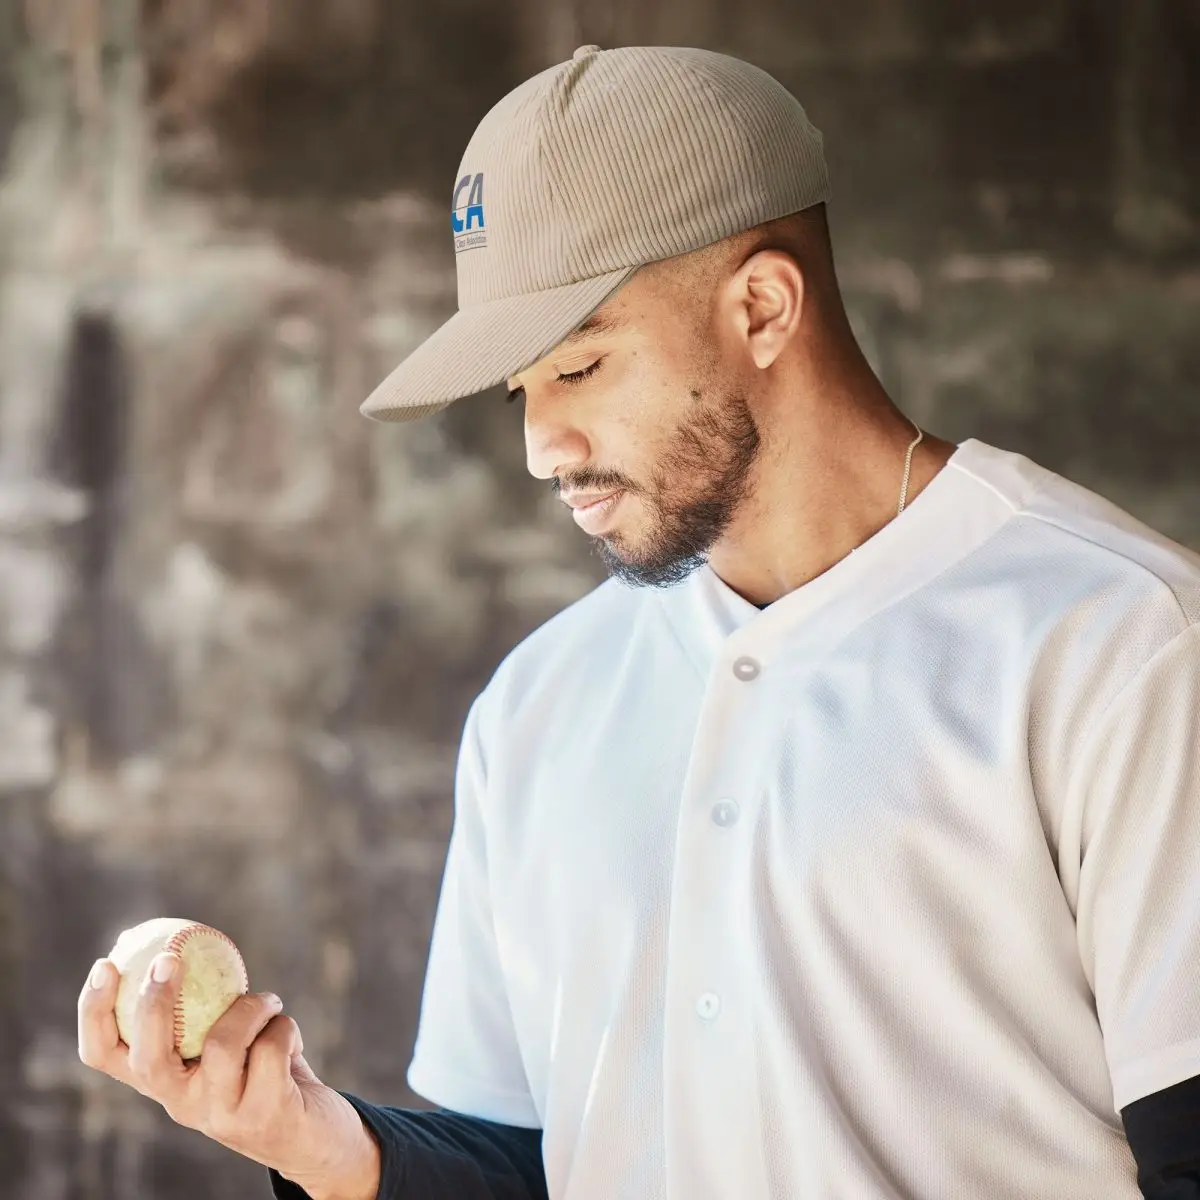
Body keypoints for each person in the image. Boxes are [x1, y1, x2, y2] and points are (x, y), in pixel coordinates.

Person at [78, 43, 1200, 1200]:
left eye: (581, 367)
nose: (538, 449)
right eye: (522, 392)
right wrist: (317, 1141)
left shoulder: (1123, 645)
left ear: (761, 308)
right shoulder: (539, 702)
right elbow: (530, 1165)